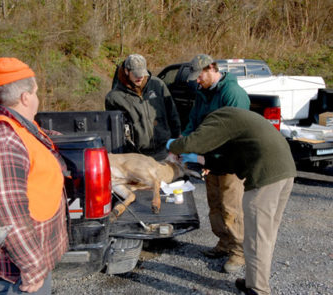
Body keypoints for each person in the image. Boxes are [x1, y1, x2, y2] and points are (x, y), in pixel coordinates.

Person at [0, 57, 69, 294]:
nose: (38, 98)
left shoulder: (18, 128)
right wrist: (32, 267)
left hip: (24, 261)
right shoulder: (0, 143)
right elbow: (4, 215)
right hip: (15, 274)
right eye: (36, 92)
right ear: (25, 97)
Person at [167, 107, 297, 295]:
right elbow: (229, 161)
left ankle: (259, 290)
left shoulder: (219, 118)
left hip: (266, 177)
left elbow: (195, 142)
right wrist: (203, 161)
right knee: (265, 236)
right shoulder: (238, 125)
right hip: (285, 172)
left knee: (257, 238)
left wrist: (172, 146)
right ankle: (254, 282)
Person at [182, 54, 250, 273]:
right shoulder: (202, 95)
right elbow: (193, 124)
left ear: (211, 68)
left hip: (231, 162)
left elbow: (235, 133)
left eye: (199, 76)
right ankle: (224, 243)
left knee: (232, 209)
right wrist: (182, 145)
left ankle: (239, 253)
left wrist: (211, 157)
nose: (196, 81)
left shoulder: (233, 94)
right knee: (215, 206)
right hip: (210, 161)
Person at [105, 53, 181, 160]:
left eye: (142, 73)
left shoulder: (158, 85)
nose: (139, 77)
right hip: (137, 157)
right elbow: (115, 134)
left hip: (164, 151)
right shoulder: (114, 97)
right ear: (126, 71)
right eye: (135, 74)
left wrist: (177, 141)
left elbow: (172, 114)